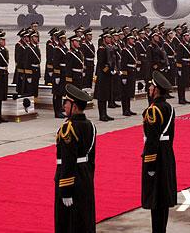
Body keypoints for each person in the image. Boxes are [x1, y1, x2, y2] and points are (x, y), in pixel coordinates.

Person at [54, 84, 97, 233]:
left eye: (66, 103)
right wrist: (88, 176)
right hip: (84, 175)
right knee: (84, 217)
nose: (64, 106)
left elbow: (68, 161)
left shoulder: (69, 128)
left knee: (68, 221)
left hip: (70, 177)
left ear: (74, 106)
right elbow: (91, 158)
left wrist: (65, 189)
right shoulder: (90, 125)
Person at [142, 71, 177, 233]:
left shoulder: (153, 111)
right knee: (164, 196)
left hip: (156, 156)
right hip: (167, 152)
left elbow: (152, 139)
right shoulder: (168, 107)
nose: (149, 89)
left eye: (151, 86)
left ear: (155, 90)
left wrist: (149, 163)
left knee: (156, 197)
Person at [94, 30, 115, 121]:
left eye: (110, 37)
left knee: (106, 95)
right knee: (102, 96)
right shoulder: (102, 49)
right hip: (102, 75)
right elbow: (102, 64)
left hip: (107, 75)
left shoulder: (108, 48)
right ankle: (101, 115)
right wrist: (108, 71)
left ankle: (105, 113)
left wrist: (112, 70)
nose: (110, 39)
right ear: (104, 39)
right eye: (108, 38)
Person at [120, 33, 138, 116]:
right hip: (127, 73)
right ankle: (125, 110)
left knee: (130, 91)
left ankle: (128, 109)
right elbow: (123, 65)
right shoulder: (124, 50)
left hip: (132, 72)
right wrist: (124, 76)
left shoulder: (133, 49)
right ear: (128, 40)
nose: (133, 40)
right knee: (125, 92)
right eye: (131, 39)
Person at [52, 31, 68, 119]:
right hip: (59, 73)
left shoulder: (64, 48)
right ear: (60, 39)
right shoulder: (57, 49)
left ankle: (60, 109)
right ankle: (57, 112)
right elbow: (56, 63)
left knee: (61, 93)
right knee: (57, 94)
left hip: (64, 72)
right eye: (63, 38)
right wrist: (57, 75)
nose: (65, 39)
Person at [176, 30, 190, 105]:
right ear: (183, 37)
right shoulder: (180, 45)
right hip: (182, 66)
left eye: (188, 35)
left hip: (187, 65)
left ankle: (184, 98)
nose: (188, 37)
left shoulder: (188, 44)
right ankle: (181, 99)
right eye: (186, 36)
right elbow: (178, 58)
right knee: (181, 84)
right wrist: (179, 68)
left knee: (184, 83)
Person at [23, 30, 41, 100]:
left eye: (37, 37)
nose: (37, 38)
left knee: (35, 90)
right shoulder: (28, 49)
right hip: (31, 72)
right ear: (31, 38)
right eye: (35, 37)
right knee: (30, 90)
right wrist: (28, 75)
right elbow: (27, 63)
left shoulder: (36, 48)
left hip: (36, 71)